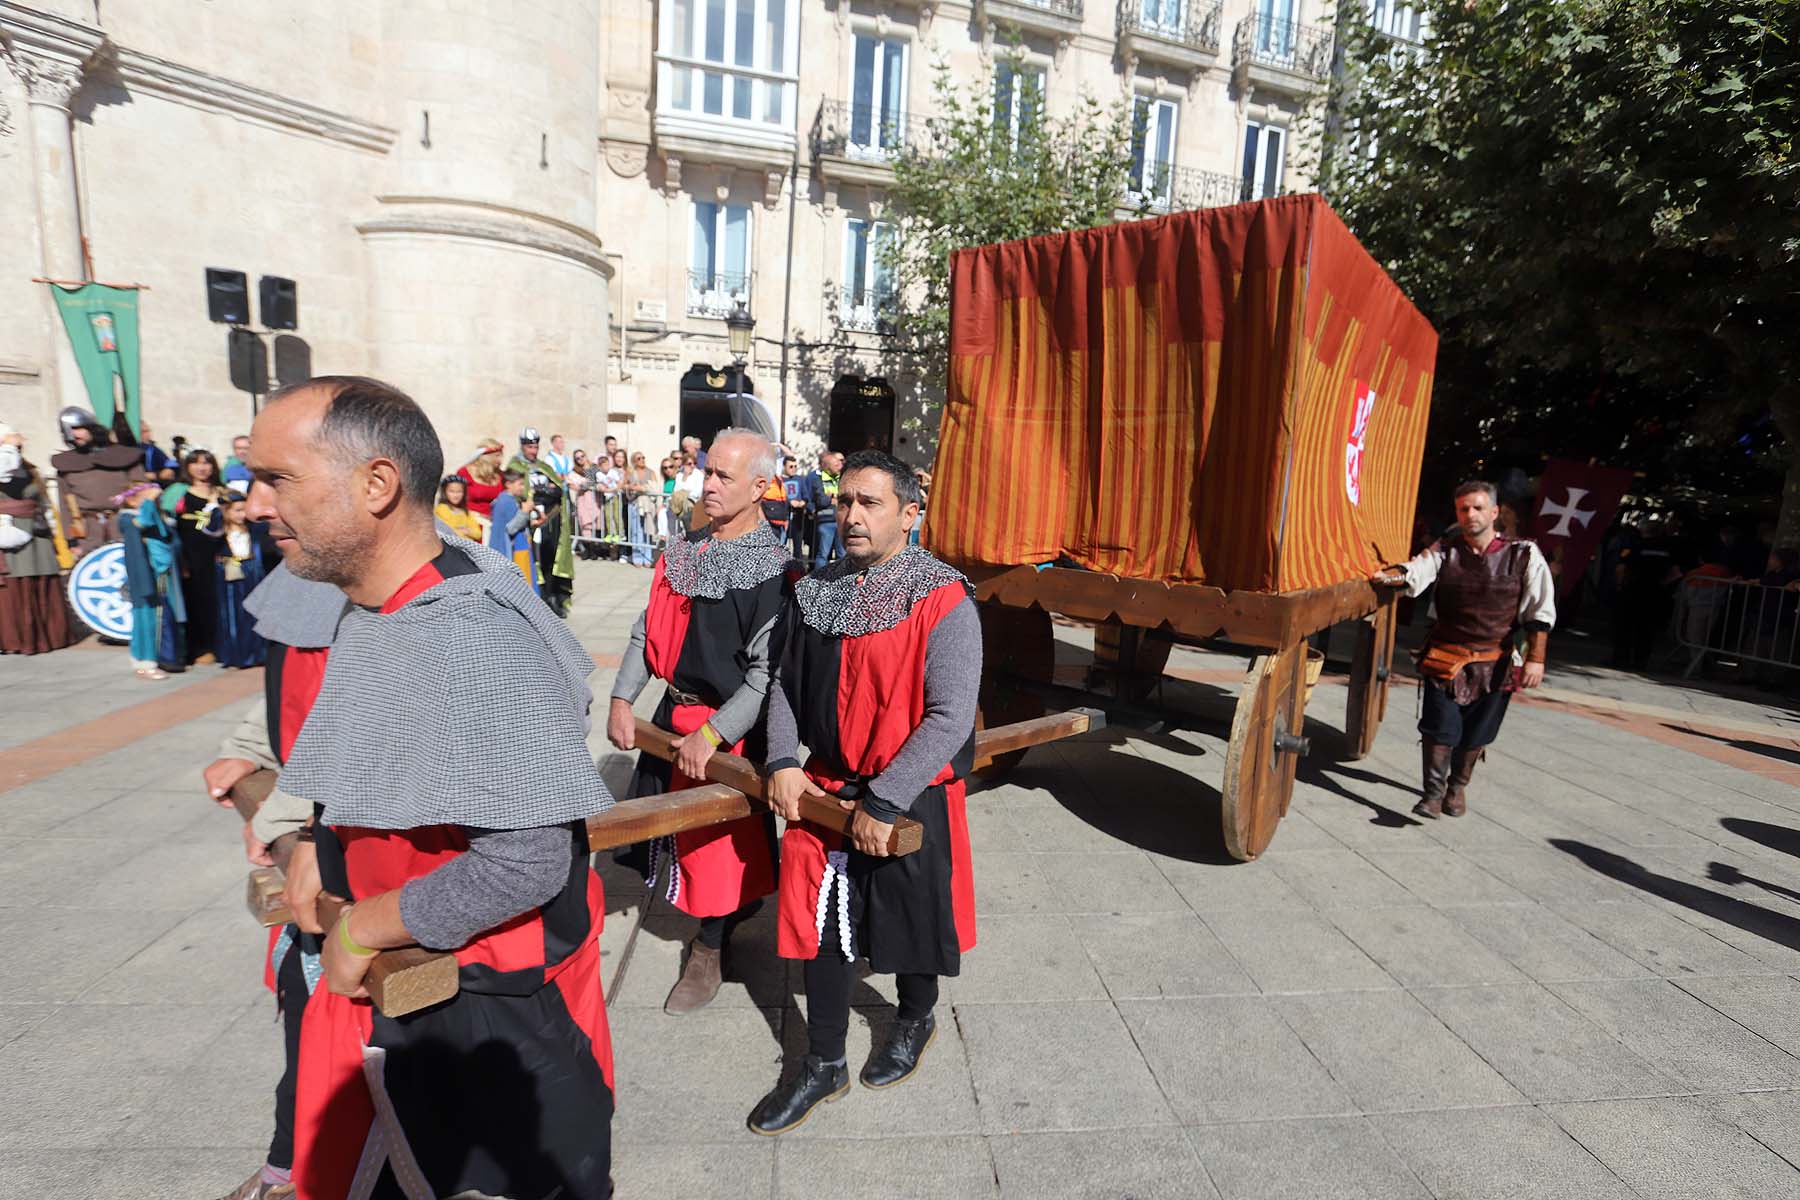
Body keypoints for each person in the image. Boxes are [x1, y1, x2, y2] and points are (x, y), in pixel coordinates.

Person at [245, 375, 616, 1199]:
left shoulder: (471, 633)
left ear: (378, 485)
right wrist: (315, 832)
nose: (254, 505)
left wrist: (359, 931)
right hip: (409, 995)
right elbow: (369, 750)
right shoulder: (379, 602)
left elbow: (524, 862)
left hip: (482, 1015)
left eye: (279, 479)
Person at [749, 449, 982, 1135]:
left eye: (870, 503)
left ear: (910, 514)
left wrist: (885, 800)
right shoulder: (816, 590)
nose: (850, 515)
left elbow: (948, 716)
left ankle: (915, 1017)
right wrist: (785, 758)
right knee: (818, 931)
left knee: (907, 920)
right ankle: (823, 1063)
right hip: (823, 791)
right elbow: (788, 685)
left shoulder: (943, 597)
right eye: (845, 500)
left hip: (906, 793)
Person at [608, 429, 787, 1013]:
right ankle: (723, 915)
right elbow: (646, 627)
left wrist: (712, 734)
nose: (707, 485)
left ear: (760, 487)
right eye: (707, 473)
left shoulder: (774, 573)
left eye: (723, 477)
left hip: (724, 733)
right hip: (671, 719)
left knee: (716, 847)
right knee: (672, 836)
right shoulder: (685, 549)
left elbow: (764, 676)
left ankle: (709, 948)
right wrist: (620, 698)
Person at [202, 558, 349, 1200]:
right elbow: (290, 693)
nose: (257, 505)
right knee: (306, 1010)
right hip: (325, 851)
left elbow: (370, 725)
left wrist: (297, 812)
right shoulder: (310, 567)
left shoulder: (425, 593)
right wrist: (252, 745)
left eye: (276, 481)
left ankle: (299, 1171)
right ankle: (296, 1165)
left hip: (391, 867)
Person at [1372, 480, 1555, 818]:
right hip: (1445, 657)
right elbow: (1416, 572)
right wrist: (1390, 575)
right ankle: (1432, 794)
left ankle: (1456, 787)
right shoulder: (1446, 549)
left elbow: (1539, 612)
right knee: (1438, 727)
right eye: (1463, 509)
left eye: (1478, 507)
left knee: (1476, 733)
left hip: (1496, 661)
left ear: (1494, 512)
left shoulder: (1524, 554)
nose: (1470, 514)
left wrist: (1536, 659)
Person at [0, 427, 80, 655]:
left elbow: (44, 503)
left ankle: (48, 636)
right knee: (15, 585)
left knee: (42, 580)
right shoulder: (4, 465)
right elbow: (4, 471)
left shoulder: (29, 469)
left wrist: (57, 538)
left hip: (37, 532)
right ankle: (17, 640)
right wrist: (7, 444)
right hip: (9, 533)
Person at [50, 406, 145, 555]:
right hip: (89, 532)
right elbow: (65, 505)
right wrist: (71, 540)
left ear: (92, 428)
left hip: (125, 527)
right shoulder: (67, 463)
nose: (74, 434)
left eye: (77, 428)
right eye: (68, 430)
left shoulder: (124, 456)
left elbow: (143, 493)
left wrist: (144, 528)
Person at [161, 448, 227, 664]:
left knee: (217, 600)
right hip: (189, 555)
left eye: (206, 462)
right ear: (187, 467)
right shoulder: (178, 492)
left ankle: (218, 645)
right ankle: (196, 648)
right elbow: (167, 523)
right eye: (196, 463)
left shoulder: (222, 491)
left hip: (218, 555)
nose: (202, 467)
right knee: (193, 599)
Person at [117, 481, 185, 678]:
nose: (156, 502)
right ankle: (144, 662)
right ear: (132, 501)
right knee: (146, 618)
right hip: (146, 576)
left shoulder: (160, 519)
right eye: (150, 499)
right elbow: (142, 524)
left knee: (161, 618)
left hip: (162, 575)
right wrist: (148, 501)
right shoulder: (128, 520)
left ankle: (164, 656)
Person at [509, 427, 576, 617]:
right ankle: (541, 598)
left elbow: (557, 491)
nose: (533, 451)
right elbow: (522, 493)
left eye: (536, 446)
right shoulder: (515, 467)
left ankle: (554, 596)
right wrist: (544, 491)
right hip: (530, 523)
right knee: (535, 560)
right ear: (523, 446)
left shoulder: (544, 466)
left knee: (551, 558)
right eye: (530, 447)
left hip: (551, 521)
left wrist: (548, 491)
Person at [207, 490, 277, 669]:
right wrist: (216, 507)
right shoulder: (221, 530)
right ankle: (236, 654)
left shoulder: (252, 529)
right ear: (227, 511)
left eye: (244, 510)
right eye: (237, 510)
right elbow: (207, 528)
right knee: (233, 614)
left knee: (253, 613)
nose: (242, 514)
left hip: (251, 572)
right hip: (230, 574)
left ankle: (257, 652)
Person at [488, 468, 538, 588]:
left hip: (520, 546)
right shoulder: (505, 501)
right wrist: (525, 511)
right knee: (522, 584)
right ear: (508, 484)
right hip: (516, 549)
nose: (522, 487)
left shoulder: (509, 499)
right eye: (520, 484)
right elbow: (511, 528)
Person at [805, 451, 844, 568]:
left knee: (842, 554)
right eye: (836, 465)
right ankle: (819, 581)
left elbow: (845, 497)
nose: (840, 467)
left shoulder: (840, 478)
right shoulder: (818, 479)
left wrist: (833, 496)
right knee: (823, 554)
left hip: (839, 520)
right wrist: (831, 498)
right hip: (826, 520)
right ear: (827, 466)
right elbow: (821, 500)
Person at [456, 438, 506, 521]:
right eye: (497, 456)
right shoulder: (464, 473)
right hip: (470, 520)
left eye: (501, 455)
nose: (500, 460)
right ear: (487, 457)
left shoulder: (500, 474)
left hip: (494, 521)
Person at [626, 450, 659, 567]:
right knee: (636, 531)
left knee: (647, 530)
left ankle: (647, 558)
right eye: (639, 458)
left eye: (643, 457)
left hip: (647, 505)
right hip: (635, 504)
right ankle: (637, 558)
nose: (642, 460)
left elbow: (655, 488)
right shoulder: (631, 472)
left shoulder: (651, 472)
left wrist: (641, 488)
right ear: (634, 461)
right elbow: (625, 485)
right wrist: (631, 487)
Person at [434, 475, 482, 542]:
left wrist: (467, 531)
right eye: (452, 491)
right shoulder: (442, 508)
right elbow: (448, 531)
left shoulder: (465, 511)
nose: (456, 495)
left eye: (459, 491)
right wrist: (466, 530)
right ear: (444, 492)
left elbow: (478, 534)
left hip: (468, 545)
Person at [781, 454, 807, 559]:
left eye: (795, 466)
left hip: (798, 516)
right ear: (784, 467)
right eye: (791, 466)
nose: (793, 469)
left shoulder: (800, 479)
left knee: (797, 546)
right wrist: (789, 502)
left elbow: (806, 496)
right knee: (781, 545)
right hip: (784, 516)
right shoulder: (780, 480)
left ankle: (798, 571)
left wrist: (802, 503)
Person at [672, 452, 705, 534]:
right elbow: (676, 490)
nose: (692, 465)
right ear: (684, 464)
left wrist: (686, 493)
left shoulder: (698, 474)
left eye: (694, 463)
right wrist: (685, 476)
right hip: (680, 504)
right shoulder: (679, 475)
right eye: (689, 463)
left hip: (693, 503)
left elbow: (697, 491)